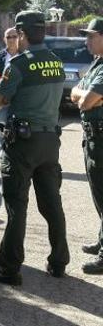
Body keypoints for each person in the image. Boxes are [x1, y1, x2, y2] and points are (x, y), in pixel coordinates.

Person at [0, 11, 69, 286]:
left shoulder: (20, 64)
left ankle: (9, 269)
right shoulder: (57, 63)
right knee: (52, 204)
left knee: (16, 207)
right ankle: (59, 262)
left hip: (22, 144)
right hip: (50, 142)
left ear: (22, 34)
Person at [70, 17, 103, 274]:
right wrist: (83, 95)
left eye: (92, 36)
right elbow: (74, 92)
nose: (87, 40)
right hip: (93, 138)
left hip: (101, 139)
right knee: (98, 194)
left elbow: (85, 101)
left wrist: (83, 96)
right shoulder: (96, 64)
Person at [0, 28, 20, 144]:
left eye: (14, 36)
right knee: (0, 122)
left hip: (21, 97)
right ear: (4, 39)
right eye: (9, 37)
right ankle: (3, 146)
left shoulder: (25, 55)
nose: (12, 39)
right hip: (4, 98)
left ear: (19, 38)